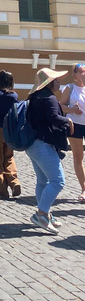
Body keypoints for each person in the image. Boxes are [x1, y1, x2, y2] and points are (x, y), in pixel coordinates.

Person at [26, 68, 72, 233]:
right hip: (43, 145)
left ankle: (44, 213)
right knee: (58, 181)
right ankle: (41, 214)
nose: (59, 82)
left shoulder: (35, 96)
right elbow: (53, 118)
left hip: (32, 144)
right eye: (57, 80)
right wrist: (67, 120)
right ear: (50, 82)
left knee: (42, 181)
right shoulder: (50, 98)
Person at [0, 70, 21, 199]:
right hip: (10, 129)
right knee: (9, 156)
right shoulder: (14, 96)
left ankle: (1, 188)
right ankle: (14, 182)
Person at [60, 63, 85, 202]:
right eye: (81, 71)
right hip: (75, 125)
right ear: (75, 75)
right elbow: (61, 106)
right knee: (78, 157)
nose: (84, 74)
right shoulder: (69, 88)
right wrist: (73, 110)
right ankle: (84, 188)